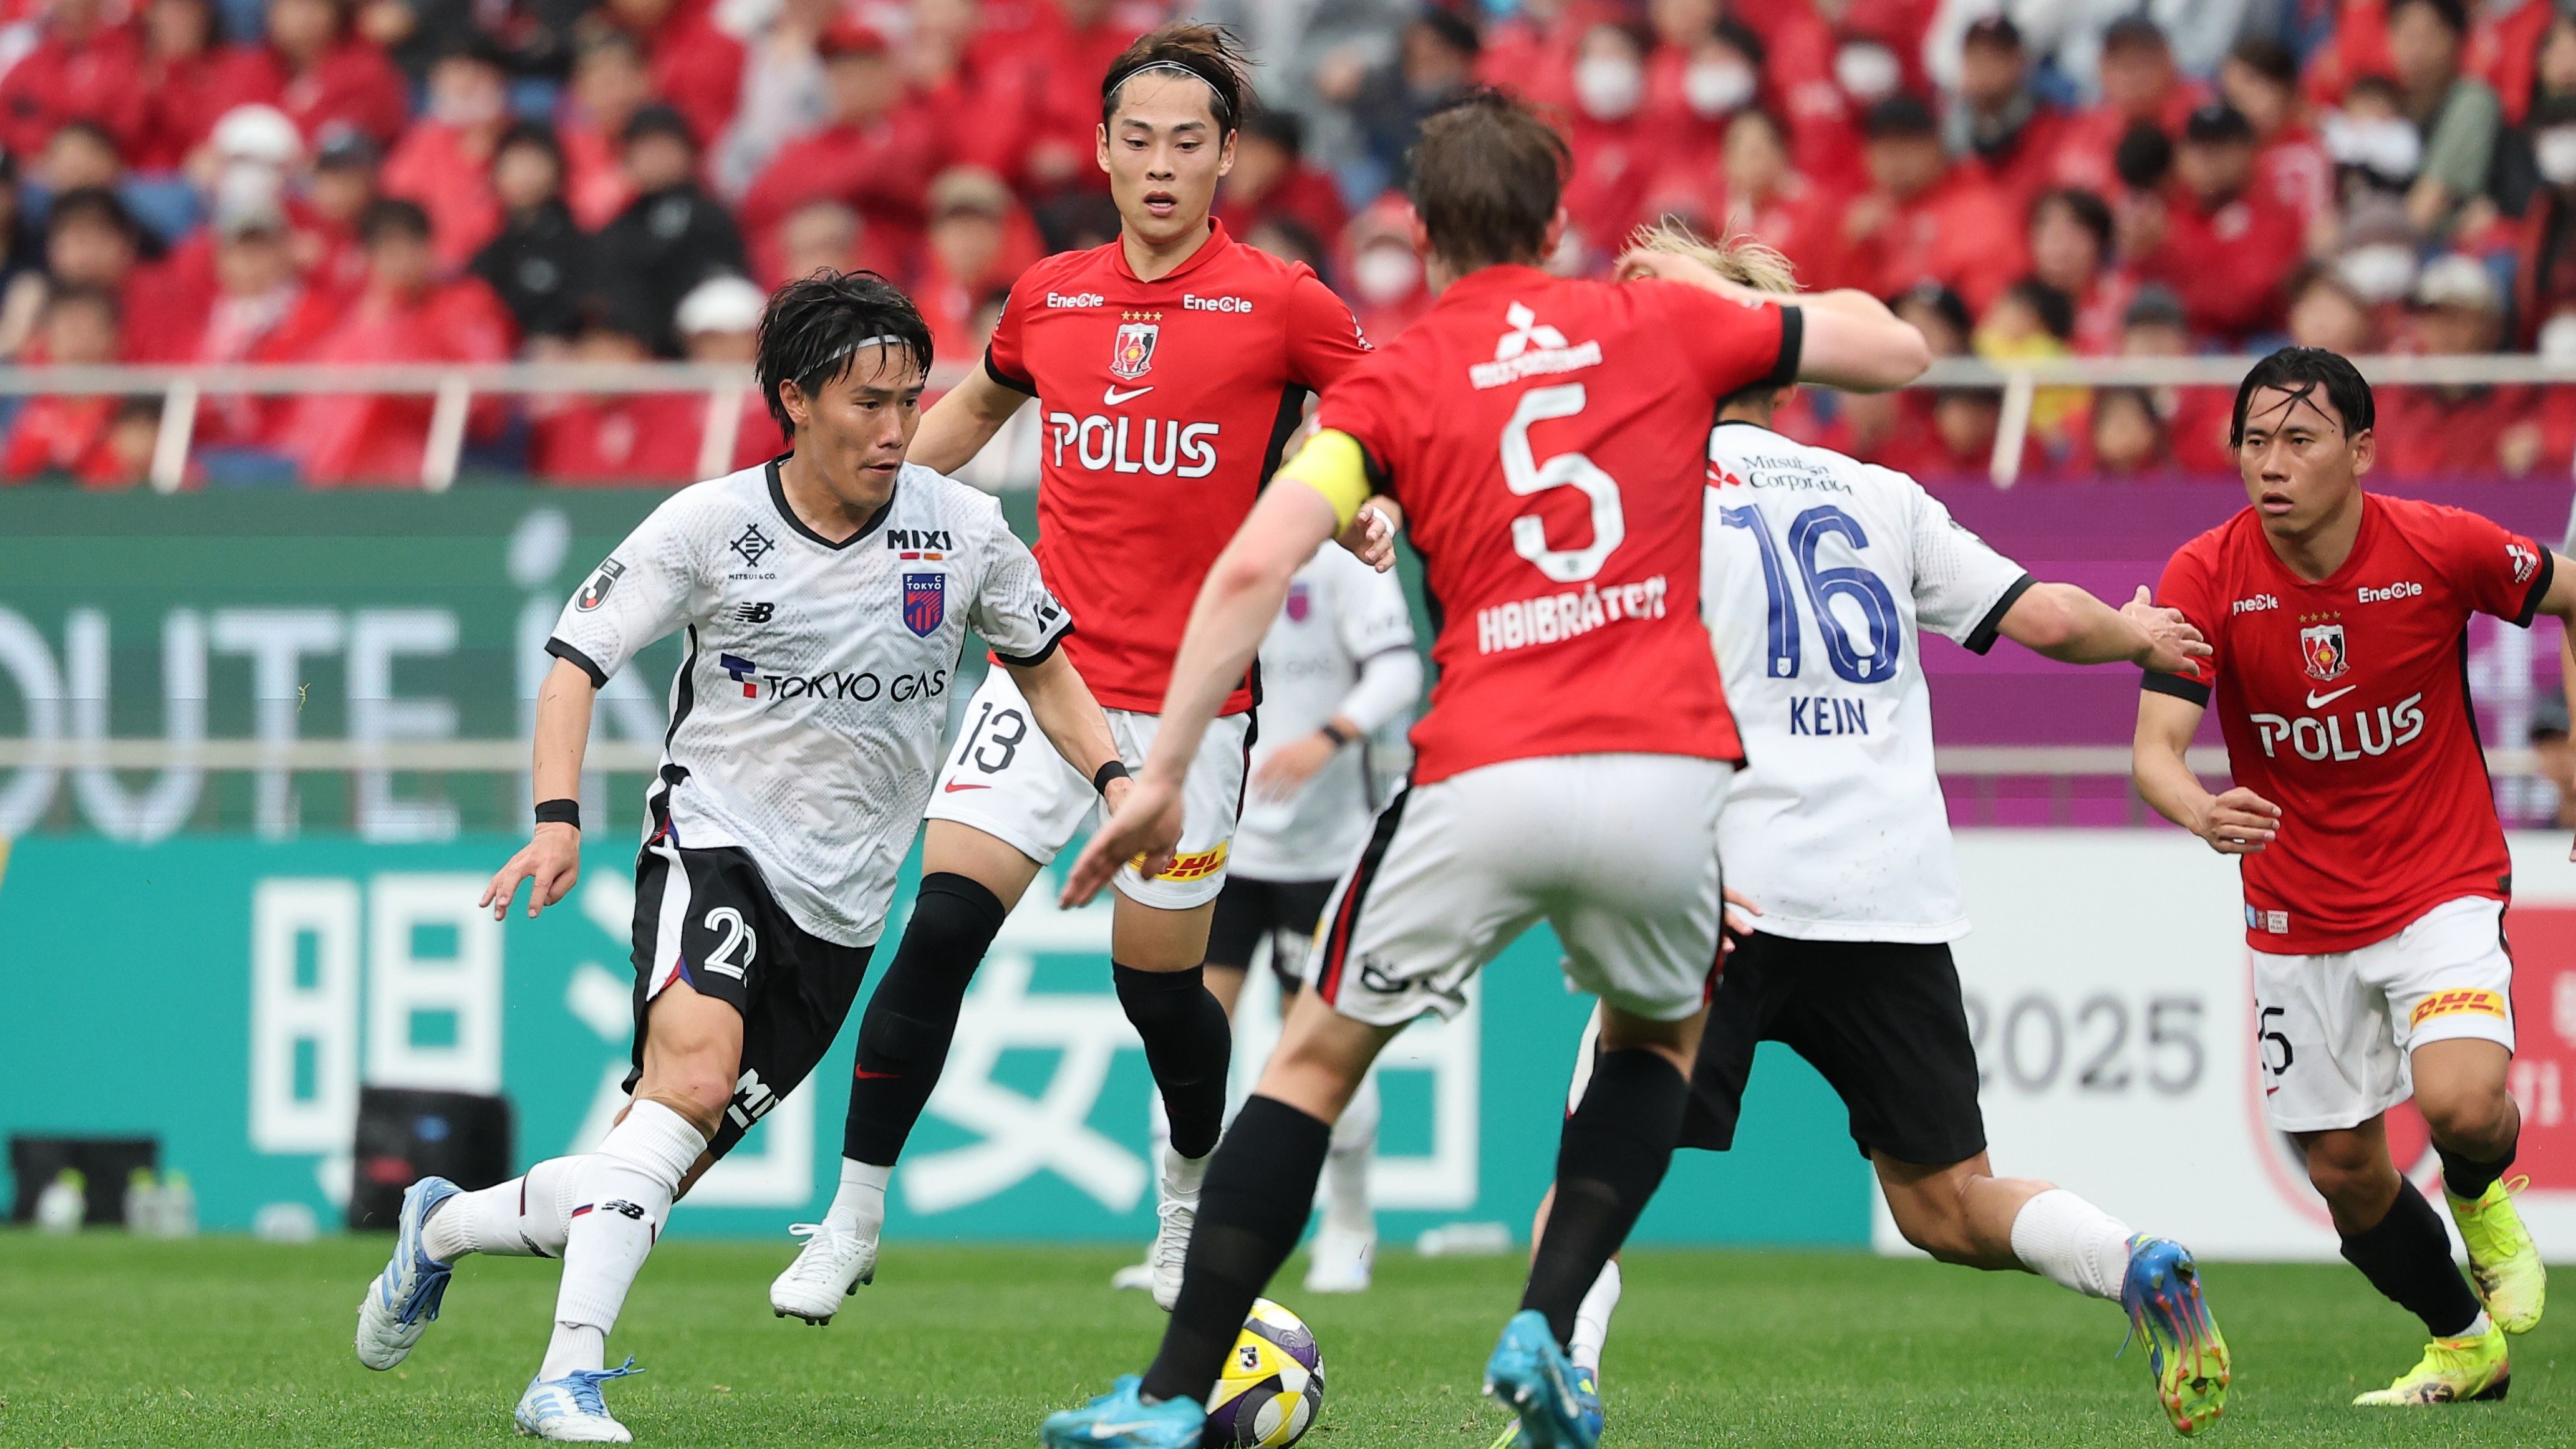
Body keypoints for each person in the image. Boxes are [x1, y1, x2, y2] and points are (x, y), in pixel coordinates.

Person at [1037, 87, 1931, 1449]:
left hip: (1485, 766)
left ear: (1420, 232)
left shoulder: (1391, 379)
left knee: (1309, 1063)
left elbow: (1255, 562)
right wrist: (1733, 305)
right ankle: (1548, 1315)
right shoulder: (1660, 320)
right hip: (1663, 771)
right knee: (1651, 1039)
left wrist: (1161, 767)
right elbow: (1897, 349)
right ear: (1561, 222)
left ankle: (1165, 1399)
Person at [349, 272, 1130, 1443]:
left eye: (911, 400)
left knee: (647, 1171)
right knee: (691, 1083)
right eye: (867, 401)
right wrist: (557, 816)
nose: (896, 426)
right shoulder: (708, 525)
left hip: (846, 906)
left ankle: (444, 1225)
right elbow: (575, 658)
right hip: (717, 843)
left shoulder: (962, 531)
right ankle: (564, 1373)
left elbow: (1045, 666)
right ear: (794, 399)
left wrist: (1121, 783)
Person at [1534, 227, 2227, 1443]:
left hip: (1723, 890)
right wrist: (2139, 636)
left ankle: (1560, 1380)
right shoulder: (1877, 493)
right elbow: (2047, 615)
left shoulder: (1644, 480)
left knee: (1589, 1179)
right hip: (1884, 891)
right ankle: (2131, 1258)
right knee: (1948, 1203)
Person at [765, 23, 1378, 1326]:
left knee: (1157, 992)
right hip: (1043, 675)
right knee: (934, 932)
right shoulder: (1050, 293)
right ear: (1102, 151)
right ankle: (854, 1216)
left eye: (1188, 143)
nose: (1161, 165)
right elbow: (980, 407)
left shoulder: (1282, 300)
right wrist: (860, 505)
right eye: (1138, 140)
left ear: (1226, 161)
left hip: (1193, 712)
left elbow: (1389, 411)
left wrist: (1363, 489)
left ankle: (1183, 1198)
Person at [2133, 346, 2559, 1407]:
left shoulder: (2440, 544)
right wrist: (2200, 809)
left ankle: (2478, 1191)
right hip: (2295, 905)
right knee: (2341, 1166)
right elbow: (2154, 750)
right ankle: (2463, 1338)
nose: (2270, 464)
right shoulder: (2205, 573)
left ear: (2360, 448)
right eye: (2254, 441)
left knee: (2460, 1104)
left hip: (2437, 878)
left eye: (2299, 438)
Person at [1181, 539, 1421, 1297]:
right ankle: (1178, 1230)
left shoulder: (1350, 546)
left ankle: (1349, 1229)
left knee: (1314, 1040)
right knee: (1188, 1032)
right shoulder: (1212, 523)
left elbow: (1400, 670)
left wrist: (1327, 738)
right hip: (1221, 834)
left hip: (1325, 850)